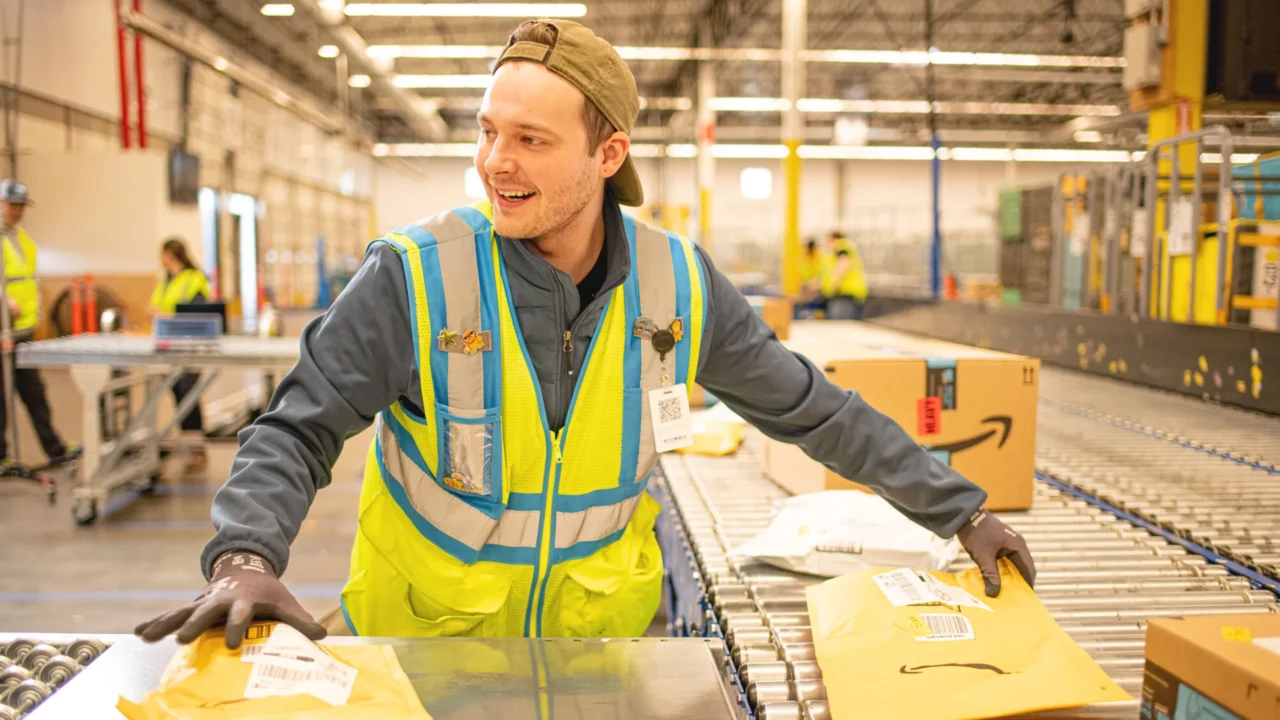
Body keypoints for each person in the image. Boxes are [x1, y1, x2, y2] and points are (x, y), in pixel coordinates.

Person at [134, 19, 1035, 650]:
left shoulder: (677, 285)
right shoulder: (413, 278)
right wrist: (245, 557)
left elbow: (812, 410)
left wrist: (960, 507)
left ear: (607, 158)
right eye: (488, 132)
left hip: (598, 657)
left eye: (529, 139)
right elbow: (296, 429)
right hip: (422, 655)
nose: (495, 162)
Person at [0, 180, 78, 471]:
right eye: (13, 205)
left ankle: (54, 449)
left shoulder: (19, 237)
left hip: (22, 328)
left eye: (21, 206)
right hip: (2, 327)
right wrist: (3, 302)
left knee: (34, 391)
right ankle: (1, 457)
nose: (18, 211)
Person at [150, 237, 212, 469]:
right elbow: (158, 304)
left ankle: (197, 448)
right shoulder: (165, 281)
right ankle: (188, 444)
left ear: (170, 255)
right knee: (177, 393)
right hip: (168, 345)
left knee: (189, 394)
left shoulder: (193, 279)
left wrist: (167, 314)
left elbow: (198, 312)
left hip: (191, 344)